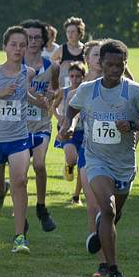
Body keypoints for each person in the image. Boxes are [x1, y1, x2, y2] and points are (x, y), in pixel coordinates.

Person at [60, 40, 139, 277]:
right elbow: (71, 110)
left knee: (114, 215)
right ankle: (113, 272)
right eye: (109, 65)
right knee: (108, 208)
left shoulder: (135, 92)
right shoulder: (88, 90)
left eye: (119, 65)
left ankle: (99, 228)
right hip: (96, 160)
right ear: (100, 64)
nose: (114, 69)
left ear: (125, 65)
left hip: (124, 164)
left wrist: (134, 125)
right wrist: (68, 126)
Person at [0, 26, 37, 252]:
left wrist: (38, 101)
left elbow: (24, 95)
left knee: (20, 181)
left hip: (19, 137)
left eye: (22, 45)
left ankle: (19, 236)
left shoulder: (28, 73)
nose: (18, 48)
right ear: (4, 47)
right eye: (14, 44)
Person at [20, 19, 59, 232]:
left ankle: (42, 208)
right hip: (19, 126)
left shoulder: (51, 66)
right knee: (21, 174)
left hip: (42, 123)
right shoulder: (15, 65)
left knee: (40, 165)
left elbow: (56, 91)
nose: (33, 41)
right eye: (28, 37)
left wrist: (52, 97)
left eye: (37, 37)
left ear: (44, 39)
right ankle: (21, 215)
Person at [52, 61, 88, 204]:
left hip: (84, 131)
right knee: (72, 158)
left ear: (83, 77)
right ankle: (69, 165)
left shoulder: (86, 92)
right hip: (67, 130)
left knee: (82, 164)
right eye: (72, 76)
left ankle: (76, 195)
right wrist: (59, 116)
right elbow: (53, 106)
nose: (74, 79)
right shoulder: (64, 91)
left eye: (78, 76)